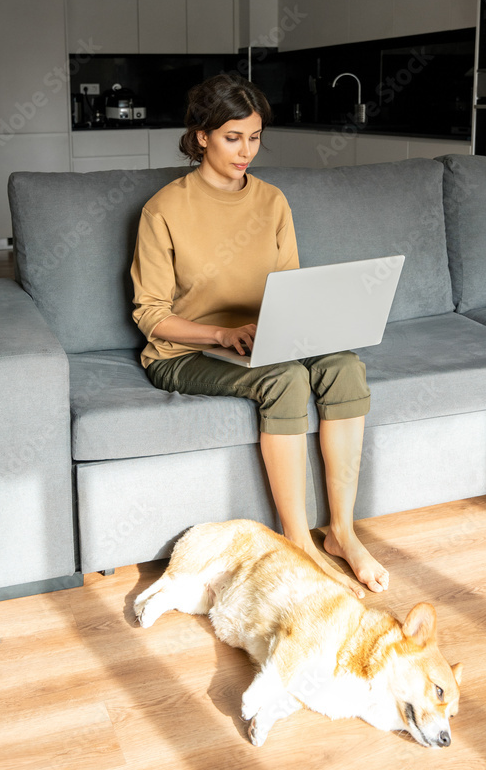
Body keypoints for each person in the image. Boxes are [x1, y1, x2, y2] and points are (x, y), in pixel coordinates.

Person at [130, 73, 388, 596]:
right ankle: (297, 541)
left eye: (254, 137)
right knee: (286, 379)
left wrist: (313, 322)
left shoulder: (272, 201)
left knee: (345, 367)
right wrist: (223, 335)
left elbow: (292, 287)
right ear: (201, 135)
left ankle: (341, 531)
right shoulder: (163, 210)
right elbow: (150, 315)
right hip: (184, 350)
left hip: (266, 337)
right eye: (232, 137)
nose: (246, 150)